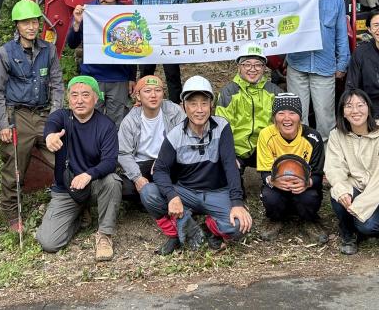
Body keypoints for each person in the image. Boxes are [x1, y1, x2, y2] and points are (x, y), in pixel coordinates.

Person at [140, 76, 253, 255]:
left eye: (204, 103)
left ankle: (208, 227)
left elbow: (230, 165)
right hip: (186, 192)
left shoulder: (222, 128)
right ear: (184, 106)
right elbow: (160, 169)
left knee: (240, 226)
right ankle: (175, 233)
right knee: (149, 192)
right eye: (193, 104)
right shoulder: (176, 134)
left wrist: (237, 202)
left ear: (211, 105)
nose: (199, 110)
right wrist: (172, 196)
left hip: (217, 191)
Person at [0, 0, 64, 232]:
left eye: (34, 21)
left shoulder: (48, 49)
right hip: (18, 115)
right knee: (15, 165)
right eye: (25, 22)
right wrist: (3, 123)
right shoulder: (5, 53)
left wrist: (55, 118)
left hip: (44, 115)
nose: (31, 27)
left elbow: (57, 85)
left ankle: (72, 204)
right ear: (17, 25)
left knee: (63, 159)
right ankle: (12, 212)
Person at [36, 76, 122, 261]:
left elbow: (110, 161)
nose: (79, 100)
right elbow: (51, 124)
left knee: (113, 181)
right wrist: (50, 136)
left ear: (96, 98)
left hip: (94, 185)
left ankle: (105, 235)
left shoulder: (106, 125)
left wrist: (88, 175)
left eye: (85, 94)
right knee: (49, 242)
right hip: (66, 189)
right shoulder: (62, 117)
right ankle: (78, 216)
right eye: (74, 95)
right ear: (68, 98)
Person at [286, 0, 349, 139]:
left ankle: (326, 164)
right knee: (297, 116)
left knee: (325, 118)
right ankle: (300, 161)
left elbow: (341, 33)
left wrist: (342, 63)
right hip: (297, 65)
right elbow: (285, 30)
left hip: (324, 66)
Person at [325, 89, 379, 255]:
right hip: (354, 188)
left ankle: (361, 225)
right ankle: (347, 232)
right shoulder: (337, 135)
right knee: (338, 191)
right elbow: (334, 168)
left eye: (360, 105)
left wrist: (359, 209)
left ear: (369, 108)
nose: (355, 111)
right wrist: (342, 190)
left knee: (367, 226)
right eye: (349, 106)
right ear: (342, 112)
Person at [67, 0, 136, 126]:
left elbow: (133, 48)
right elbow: (72, 43)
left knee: (117, 124)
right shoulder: (88, 11)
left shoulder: (127, 12)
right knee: (89, 122)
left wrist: (132, 77)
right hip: (93, 77)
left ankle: (114, 152)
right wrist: (76, 24)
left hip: (119, 77)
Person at [257, 93, 327, 243]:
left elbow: (317, 174)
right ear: (274, 117)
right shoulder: (265, 135)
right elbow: (264, 171)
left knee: (310, 198)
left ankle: (310, 221)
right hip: (278, 186)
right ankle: (275, 219)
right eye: (281, 113)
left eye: (292, 113)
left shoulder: (313, 138)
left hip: (303, 188)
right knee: (270, 197)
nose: (287, 118)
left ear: (300, 117)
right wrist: (272, 180)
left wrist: (306, 183)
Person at [216, 42, 282, 189]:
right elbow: (222, 128)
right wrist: (229, 156)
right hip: (237, 149)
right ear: (239, 66)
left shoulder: (274, 91)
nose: (253, 69)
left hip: (267, 148)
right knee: (231, 188)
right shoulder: (229, 92)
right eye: (247, 64)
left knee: (277, 189)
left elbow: (283, 124)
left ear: (264, 68)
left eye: (258, 65)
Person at [133, 0, 188, 103]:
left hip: (168, 34)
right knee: (145, 71)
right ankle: (142, 103)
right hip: (147, 34)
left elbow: (183, 3)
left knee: (172, 74)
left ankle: (175, 106)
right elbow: (136, 6)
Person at [117, 75, 186, 201]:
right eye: (147, 91)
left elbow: (185, 141)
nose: (153, 95)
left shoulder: (174, 111)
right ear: (138, 96)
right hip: (141, 165)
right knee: (123, 187)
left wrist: (164, 159)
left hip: (168, 163)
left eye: (158, 90)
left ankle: (156, 196)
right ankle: (156, 196)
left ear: (163, 94)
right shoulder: (130, 121)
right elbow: (123, 153)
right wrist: (137, 178)